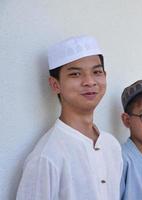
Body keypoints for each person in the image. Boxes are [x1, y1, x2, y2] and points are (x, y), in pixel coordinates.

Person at [17, 35, 123, 200]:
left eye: (97, 72)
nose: (89, 81)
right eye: (75, 74)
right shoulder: (46, 156)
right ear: (55, 84)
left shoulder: (111, 145)